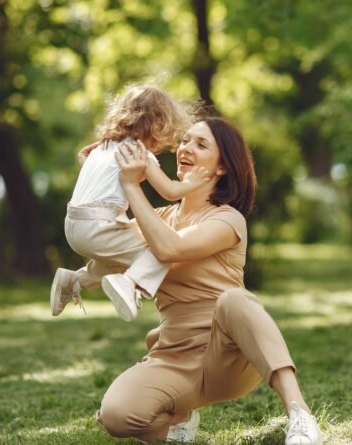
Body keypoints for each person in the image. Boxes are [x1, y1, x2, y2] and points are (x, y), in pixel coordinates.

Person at [96, 117, 323, 445]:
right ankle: (177, 428)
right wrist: (99, 161)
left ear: (222, 168)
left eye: (201, 144)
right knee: (116, 414)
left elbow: (170, 248)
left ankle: (300, 415)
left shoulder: (227, 219)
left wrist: (133, 187)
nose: (185, 148)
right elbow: (103, 245)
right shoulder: (159, 218)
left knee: (234, 299)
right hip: (175, 355)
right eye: (185, 141)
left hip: (227, 355)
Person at [50, 84, 210, 321]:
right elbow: (169, 191)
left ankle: (75, 280)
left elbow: (99, 180)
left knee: (118, 260)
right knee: (161, 251)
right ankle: (129, 284)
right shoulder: (139, 153)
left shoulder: (100, 148)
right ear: (157, 124)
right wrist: (192, 182)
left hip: (74, 226)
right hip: (99, 225)